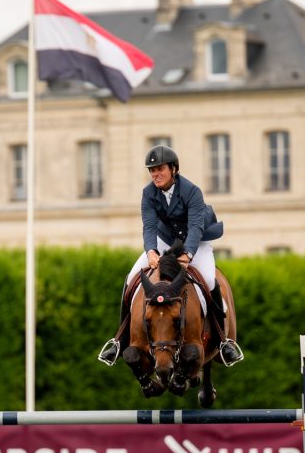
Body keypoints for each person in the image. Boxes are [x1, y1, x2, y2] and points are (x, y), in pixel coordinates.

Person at [98, 144, 242, 366]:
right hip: (164, 241)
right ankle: (120, 339)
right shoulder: (148, 193)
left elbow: (195, 227)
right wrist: (151, 251)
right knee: (131, 277)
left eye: (160, 169)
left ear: (173, 169)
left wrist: (189, 254)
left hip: (197, 241)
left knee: (210, 279)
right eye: (152, 170)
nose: (155, 174)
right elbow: (148, 225)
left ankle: (223, 340)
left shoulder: (192, 191)